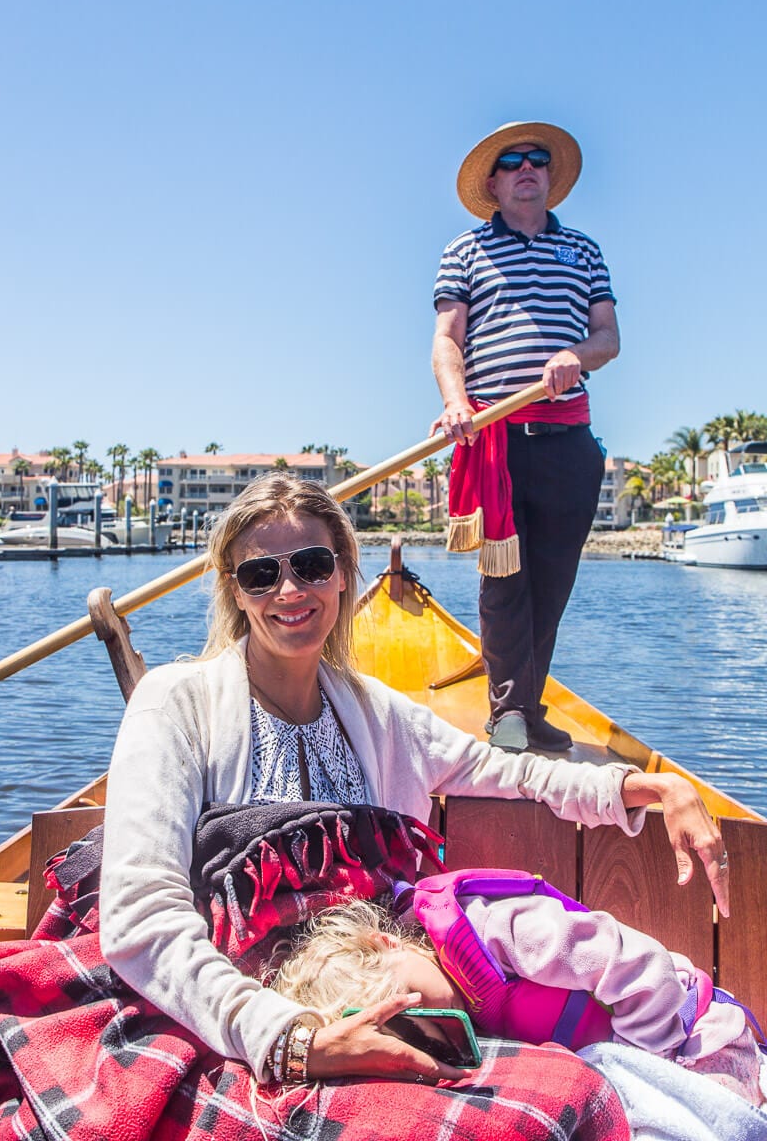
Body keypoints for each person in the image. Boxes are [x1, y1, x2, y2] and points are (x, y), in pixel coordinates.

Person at [100, 472, 729, 1090]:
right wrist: (291, 1039)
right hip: (241, 1009)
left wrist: (640, 788)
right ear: (235, 591)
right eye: (262, 574)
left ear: (344, 573)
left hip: (383, 982)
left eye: (313, 565)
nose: (290, 590)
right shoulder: (173, 702)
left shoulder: (376, 713)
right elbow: (140, 918)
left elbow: (503, 768)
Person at [431, 120, 619, 753]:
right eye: (512, 162)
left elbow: (608, 339)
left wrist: (576, 356)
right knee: (505, 581)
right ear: (494, 182)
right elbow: (447, 341)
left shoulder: (585, 251)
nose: (527, 168)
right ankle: (508, 713)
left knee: (552, 580)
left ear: (549, 176)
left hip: (568, 439)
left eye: (536, 160)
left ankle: (527, 708)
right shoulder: (464, 251)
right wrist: (456, 402)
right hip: (495, 439)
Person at [271, 884, 765, 1107]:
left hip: (692, 1032)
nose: (433, 1016)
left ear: (387, 942)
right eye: (416, 1030)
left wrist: (652, 1059)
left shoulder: (501, 932)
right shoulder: (459, 1002)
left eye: (412, 999)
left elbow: (637, 963)